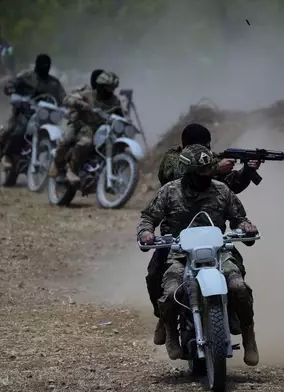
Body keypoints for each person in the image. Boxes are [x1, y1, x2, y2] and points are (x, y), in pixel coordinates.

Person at [137, 144, 260, 366]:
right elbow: (148, 217)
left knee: (239, 287)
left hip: (217, 252)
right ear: (188, 172)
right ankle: (170, 332)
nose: (205, 176)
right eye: (200, 172)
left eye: (208, 170)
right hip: (180, 254)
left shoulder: (222, 190)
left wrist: (247, 226)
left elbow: (239, 217)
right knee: (171, 291)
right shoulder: (170, 191)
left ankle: (249, 335)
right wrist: (146, 233)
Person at [49, 69, 122, 183]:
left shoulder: (115, 101)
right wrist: (83, 105)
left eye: (112, 87)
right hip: (80, 124)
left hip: (98, 129)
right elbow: (67, 99)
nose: (110, 90)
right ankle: (66, 167)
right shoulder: (88, 94)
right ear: (100, 86)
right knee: (69, 141)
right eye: (108, 87)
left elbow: (121, 114)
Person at [0, 54, 66, 168]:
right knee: (19, 130)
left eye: (47, 65)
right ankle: (7, 155)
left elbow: (63, 98)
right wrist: (11, 89)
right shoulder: (26, 76)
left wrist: (68, 105)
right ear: (37, 64)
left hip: (45, 115)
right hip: (25, 111)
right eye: (42, 64)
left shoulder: (54, 83)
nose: (44, 66)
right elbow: (13, 83)